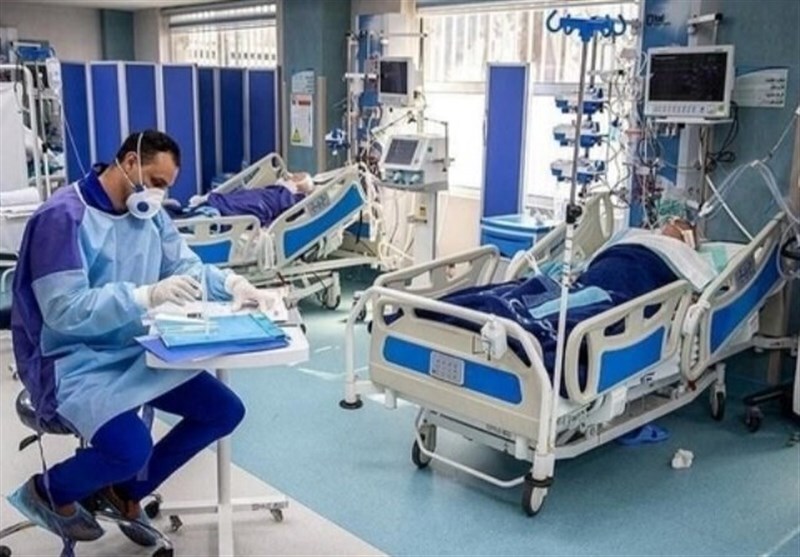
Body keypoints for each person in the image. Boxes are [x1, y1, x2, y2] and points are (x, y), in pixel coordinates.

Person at [8, 130, 279, 546]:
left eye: (166, 186)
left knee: (223, 411)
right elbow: (63, 310)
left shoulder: (148, 214)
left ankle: (123, 491)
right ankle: (47, 491)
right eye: (156, 181)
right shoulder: (63, 217)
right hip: (71, 361)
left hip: (134, 350)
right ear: (130, 162)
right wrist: (143, 296)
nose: (159, 193)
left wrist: (234, 285)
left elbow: (186, 266)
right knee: (130, 448)